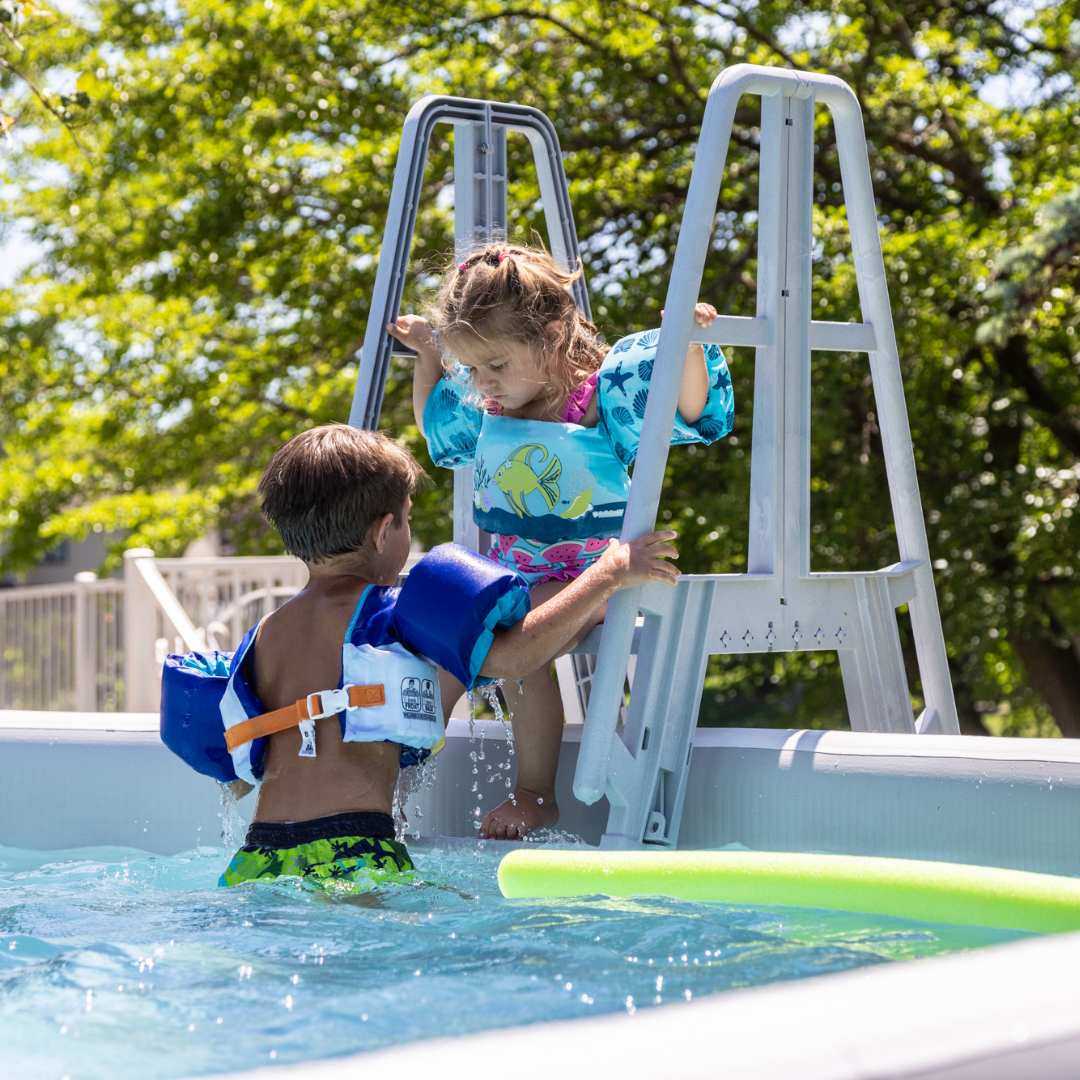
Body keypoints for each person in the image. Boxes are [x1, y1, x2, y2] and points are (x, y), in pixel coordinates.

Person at [201, 423, 679, 886]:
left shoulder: (265, 632)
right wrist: (607, 575)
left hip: (260, 854)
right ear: (385, 531)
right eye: (407, 519)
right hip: (351, 847)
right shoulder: (391, 615)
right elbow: (516, 660)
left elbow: (244, 772)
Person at [387, 243, 734, 840]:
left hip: (590, 572)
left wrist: (689, 347)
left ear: (550, 336)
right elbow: (435, 426)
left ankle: (535, 793)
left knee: (518, 646)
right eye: (471, 368)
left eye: (494, 364)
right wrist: (428, 358)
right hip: (509, 574)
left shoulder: (603, 397)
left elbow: (690, 407)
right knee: (439, 636)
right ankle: (395, 776)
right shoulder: (490, 401)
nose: (482, 382)